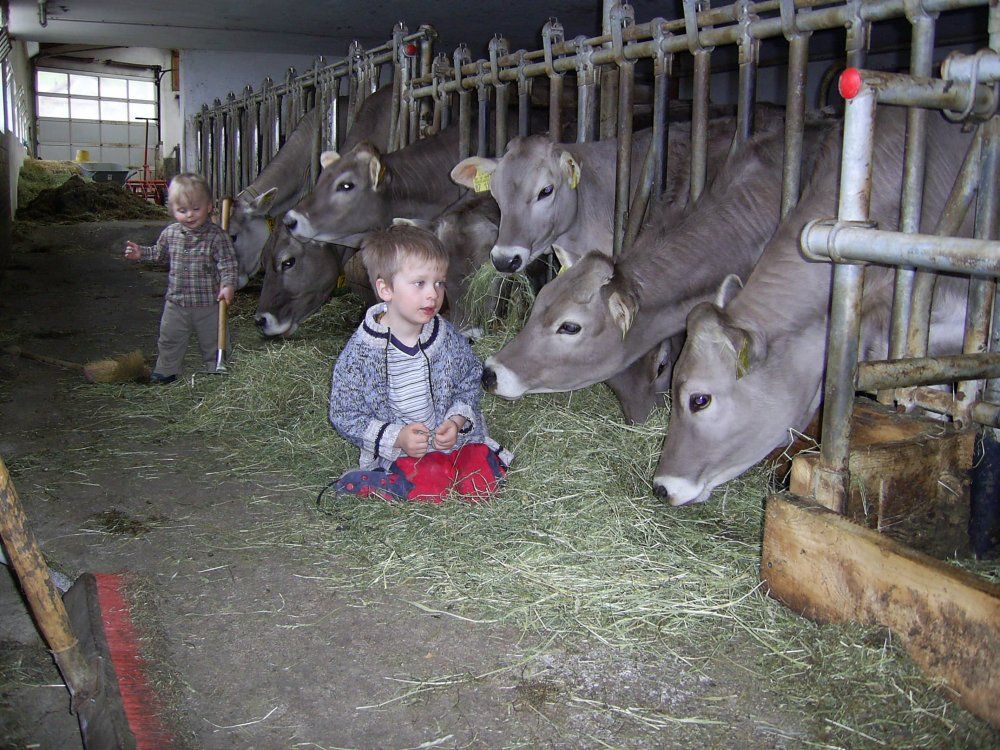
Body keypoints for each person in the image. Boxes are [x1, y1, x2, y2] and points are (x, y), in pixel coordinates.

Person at [328, 224, 512, 503]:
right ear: (386, 289)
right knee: (431, 484)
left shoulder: (445, 336)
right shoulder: (361, 355)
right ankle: (378, 482)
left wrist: (456, 421)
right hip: (405, 454)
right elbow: (345, 413)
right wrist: (397, 437)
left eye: (439, 283)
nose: (433, 294)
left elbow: (469, 378)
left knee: (480, 481)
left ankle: (459, 469)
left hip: (457, 443)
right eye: (420, 283)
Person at [124, 173, 237, 383]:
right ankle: (166, 370)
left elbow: (227, 263)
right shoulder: (170, 234)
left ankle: (217, 368)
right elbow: (158, 253)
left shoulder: (217, 237)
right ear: (172, 210)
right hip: (176, 303)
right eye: (182, 210)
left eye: (196, 209)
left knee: (214, 340)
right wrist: (141, 253)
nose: (190, 215)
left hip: (209, 304)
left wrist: (228, 285)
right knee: (169, 339)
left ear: (209, 206)